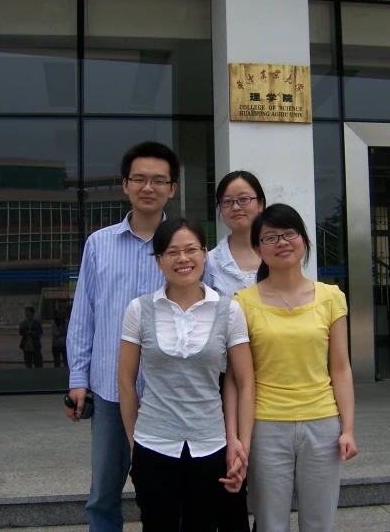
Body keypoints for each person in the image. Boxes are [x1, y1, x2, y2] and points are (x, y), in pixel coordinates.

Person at [65, 141, 179, 531]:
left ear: (172, 188)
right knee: (103, 494)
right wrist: (77, 379)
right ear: (125, 185)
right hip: (111, 390)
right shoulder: (99, 244)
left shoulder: (185, 246)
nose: (149, 187)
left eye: (159, 180)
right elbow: (84, 315)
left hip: (169, 393)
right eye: (140, 179)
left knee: (166, 493)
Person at [118, 218, 255, 532]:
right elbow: (126, 382)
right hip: (153, 444)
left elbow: (245, 382)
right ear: (158, 261)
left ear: (204, 255)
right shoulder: (138, 310)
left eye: (191, 249)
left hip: (210, 445)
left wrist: (240, 445)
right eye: (172, 252)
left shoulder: (228, 310)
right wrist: (134, 442)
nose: (183, 259)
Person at [233, 203, 358, 532]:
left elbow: (341, 368)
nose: (282, 242)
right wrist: (241, 439)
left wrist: (347, 428)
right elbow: (239, 380)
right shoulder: (242, 302)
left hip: (323, 425)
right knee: (271, 524)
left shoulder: (331, 297)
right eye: (271, 237)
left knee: (319, 522)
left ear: (304, 240)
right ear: (258, 249)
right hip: (266, 426)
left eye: (290, 233)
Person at [206, 170, 266, 532]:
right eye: (227, 201)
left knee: (269, 474)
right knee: (231, 471)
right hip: (224, 382)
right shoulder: (209, 262)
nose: (236, 207)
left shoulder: (279, 252)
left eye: (245, 199)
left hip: (274, 378)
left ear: (261, 204)